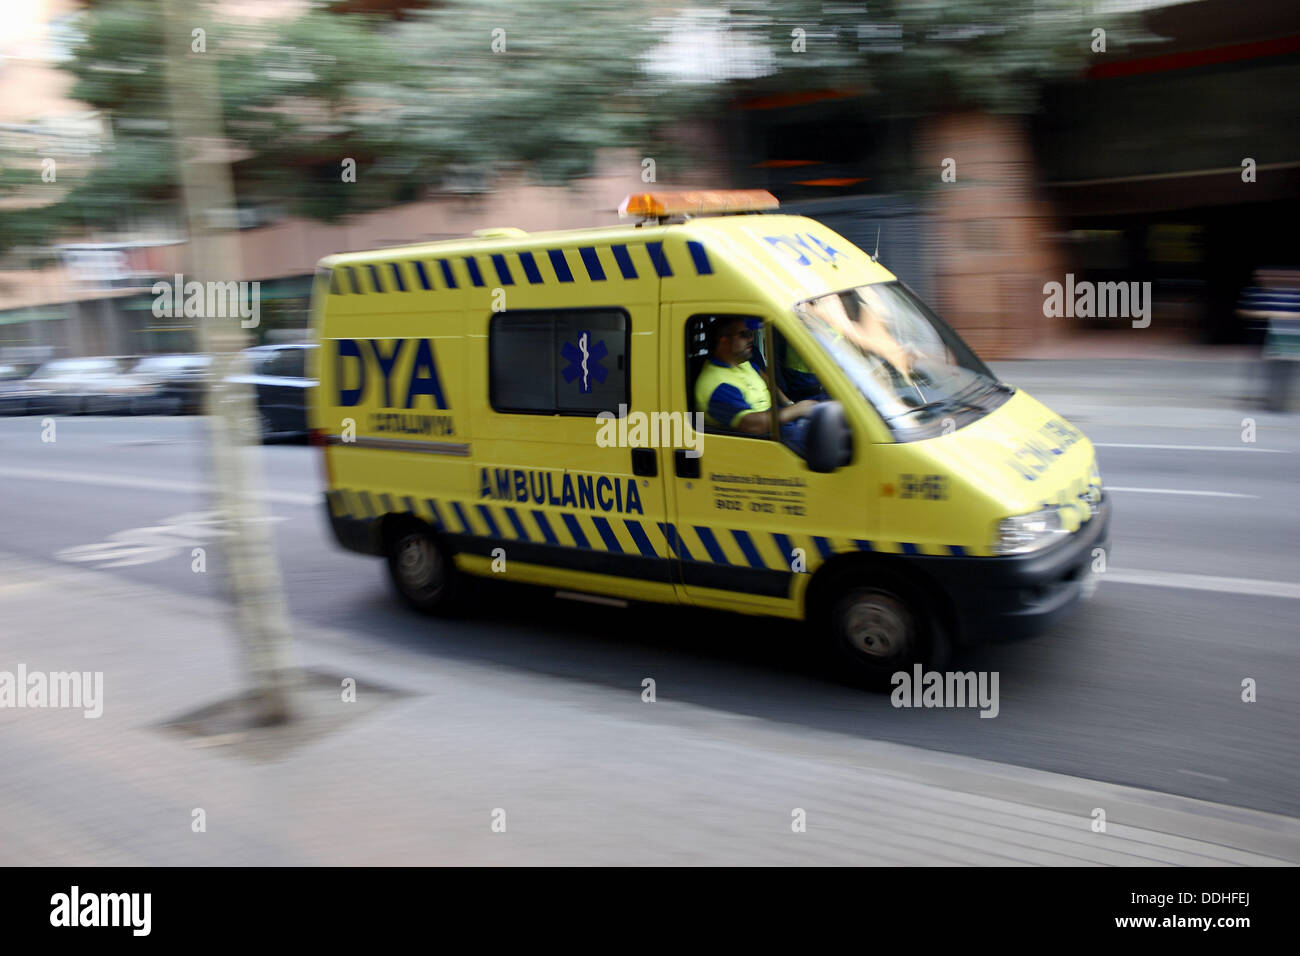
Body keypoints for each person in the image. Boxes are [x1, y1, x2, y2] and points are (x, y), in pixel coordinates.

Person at [695, 316, 817, 455]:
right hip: (767, 439)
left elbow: (768, 382)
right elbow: (751, 425)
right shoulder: (717, 385)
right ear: (724, 340)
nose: (751, 339)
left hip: (778, 420)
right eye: (744, 335)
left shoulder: (741, 362)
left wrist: (789, 404)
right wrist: (797, 410)